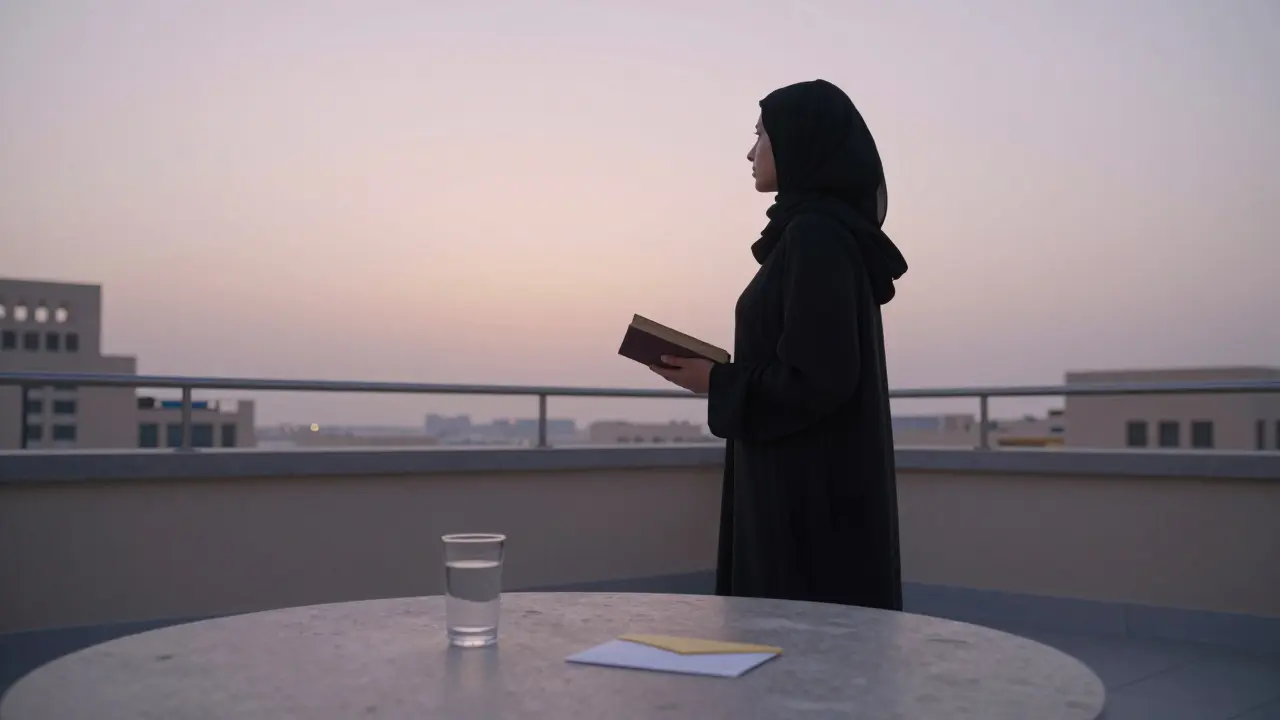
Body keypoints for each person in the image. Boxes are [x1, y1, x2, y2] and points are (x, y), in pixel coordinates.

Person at [651, 79, 908, 610]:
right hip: (807, 478)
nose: (750, 152)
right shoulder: (816, 235)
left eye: (761, 136)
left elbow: (819, 377)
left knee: (799, 640)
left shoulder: (816, 237)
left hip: (805, 492)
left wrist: (714, 380)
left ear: (799, 142)